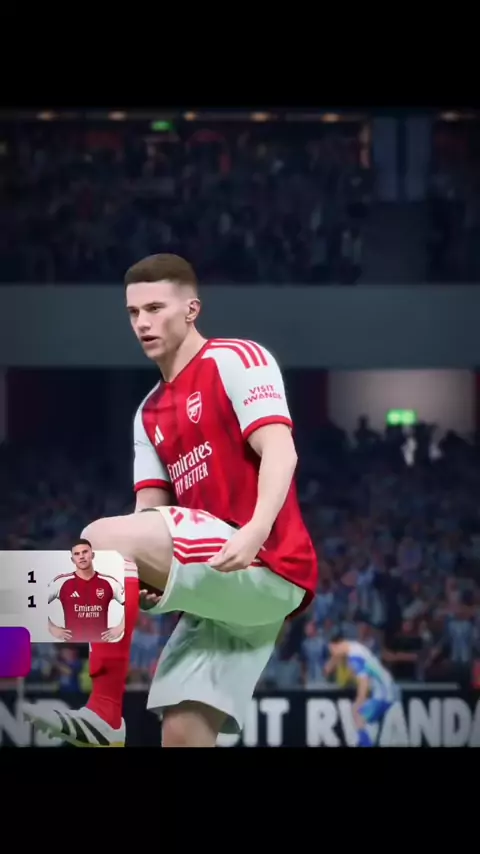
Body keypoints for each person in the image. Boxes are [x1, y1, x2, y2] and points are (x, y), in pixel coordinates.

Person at [24, 253, 318, 748]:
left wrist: (255, 530)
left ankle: (104, 711)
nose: (142, 323)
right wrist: (140, 576)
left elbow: (281, 451)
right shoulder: (147, 414)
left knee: (95, 539)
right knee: (183, 736)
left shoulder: (236, 359)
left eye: (155, 308)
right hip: (218, 591)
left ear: (191, 309)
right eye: (133, 312)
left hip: (265, 560)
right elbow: (148, 513)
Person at [326, 631, 399, 747]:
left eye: (332, 650)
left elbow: (363, 681)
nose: (333, 654)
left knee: (358, 713)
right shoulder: (355, 647)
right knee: (367, 721)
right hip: (388, 688)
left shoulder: (355, 657)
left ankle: (366, 744)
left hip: (385, 693)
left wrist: (360, 700)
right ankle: (366, 742)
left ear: (336, 645)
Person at [47, 539, 125, 643]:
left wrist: (121, 627)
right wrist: (51, 627)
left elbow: (132, 604)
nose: (81, 557)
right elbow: (35, 604)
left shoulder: (109, 582)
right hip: (73, 646)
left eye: (85, 552)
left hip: (101, 646)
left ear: (92, 555)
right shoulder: (61, 582)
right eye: (77, 554)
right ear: (72, 559)